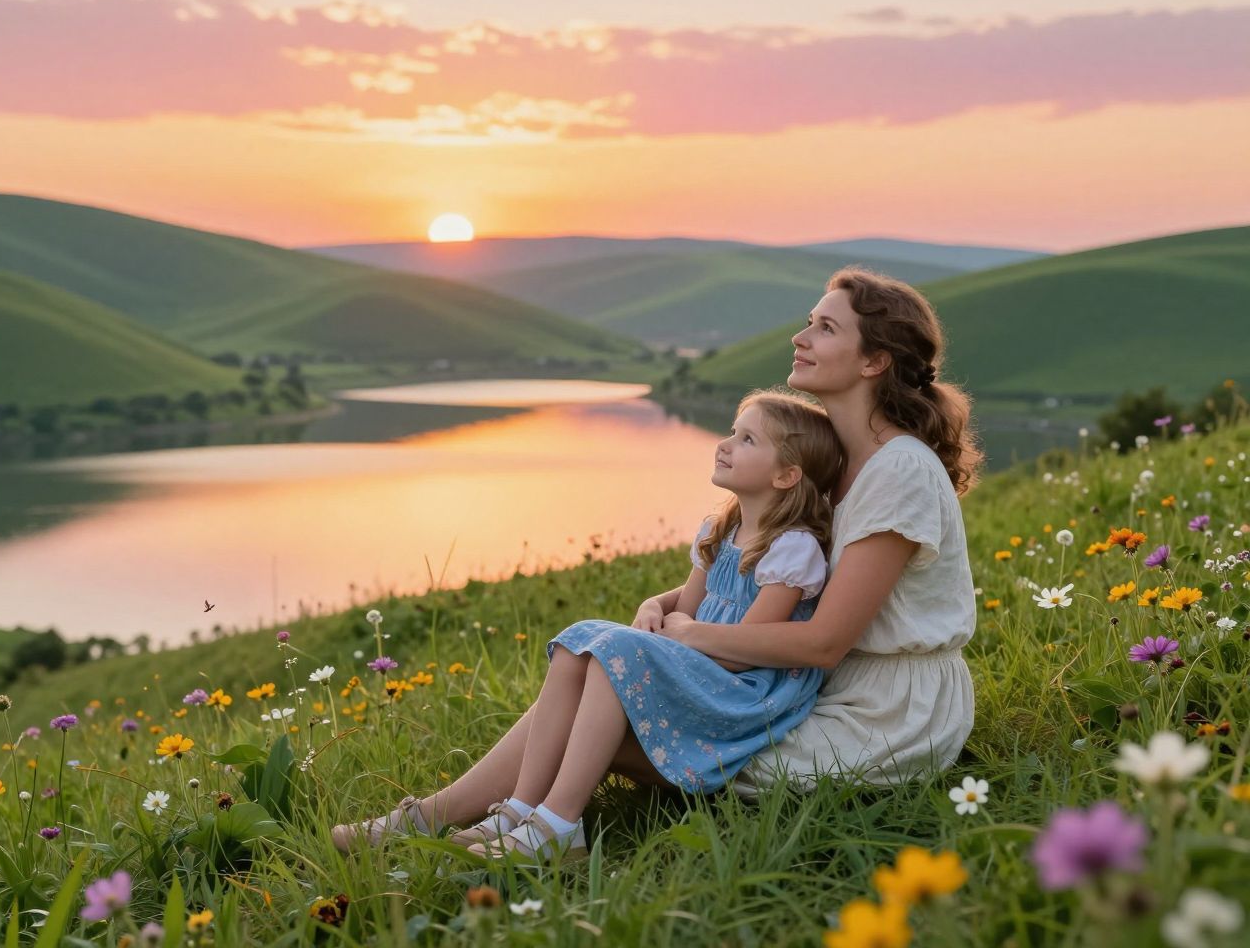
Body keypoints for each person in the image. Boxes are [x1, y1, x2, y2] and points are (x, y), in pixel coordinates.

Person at [330, 266, 981, 862]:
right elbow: (761, 570)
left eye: (825, 327)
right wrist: (671, 604)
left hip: (883, 715)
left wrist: (690, 634)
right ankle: (460, 818)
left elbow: (825, 640)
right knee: (599, 680)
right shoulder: (829, 454)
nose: (801, 335)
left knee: (608, 699)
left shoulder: (898, 471)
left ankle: (512, 824)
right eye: (810, 320)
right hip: (804, 683)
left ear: (874, 361)